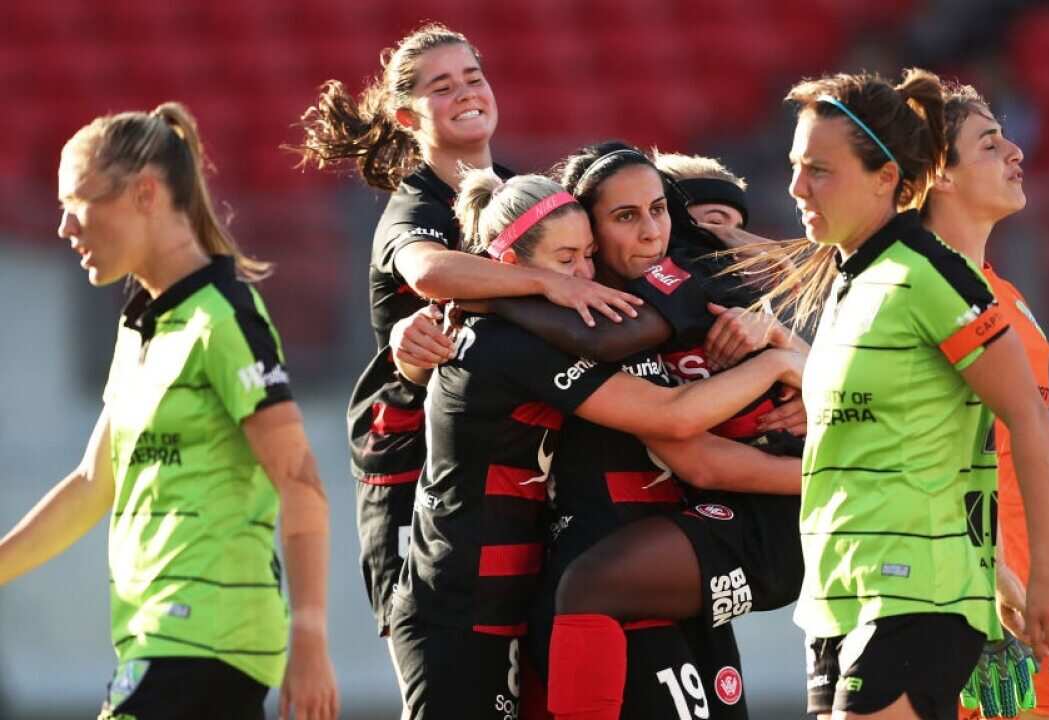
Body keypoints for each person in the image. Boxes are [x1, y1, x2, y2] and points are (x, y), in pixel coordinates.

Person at [291, 23, 642, 685]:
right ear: (406, 115)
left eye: (473, 77)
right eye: (441, 86)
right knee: (444, 665)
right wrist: (544, 280)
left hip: (513, 469)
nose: (465, 93)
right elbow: (427, 273)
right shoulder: (415, 203)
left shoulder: (521, 191)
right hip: (420, 483)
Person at [386, 168, 807, 720]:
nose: (583, 274)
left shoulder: (561, 324)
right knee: (590, 590)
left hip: (527, 589)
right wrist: (786, 373)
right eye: (566, 260)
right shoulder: (519, 340)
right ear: (510, 267)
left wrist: (788, 353)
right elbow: (677, 424)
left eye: (586, 255)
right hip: (460, 599)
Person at [735, 68, 1049, 720]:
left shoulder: (931, 276)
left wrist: (1046, 572)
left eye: (819, 169)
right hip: (841, 594)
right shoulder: (848, 280)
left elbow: (1026, 419)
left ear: (885, 178)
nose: (795, 187)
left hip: (914, 596)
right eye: (794, 166)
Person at [0, 103, 338, 719]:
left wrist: (311, 640)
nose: (63, 228)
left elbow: (300, 481)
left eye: (76, 202)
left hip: (204, 635)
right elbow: (90, 484)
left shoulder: (223, 318)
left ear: (145, 193)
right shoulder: (143, 328)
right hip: (165, 637)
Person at [920, 82, 1049, 720]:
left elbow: (1034, 452)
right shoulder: (923, 295)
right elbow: (923, 459)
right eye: (989, 142)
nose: (1016, 151)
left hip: (1039, 594)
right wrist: (986, 589)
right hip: (982, 602)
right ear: (937, 176)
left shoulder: (1003, 293)